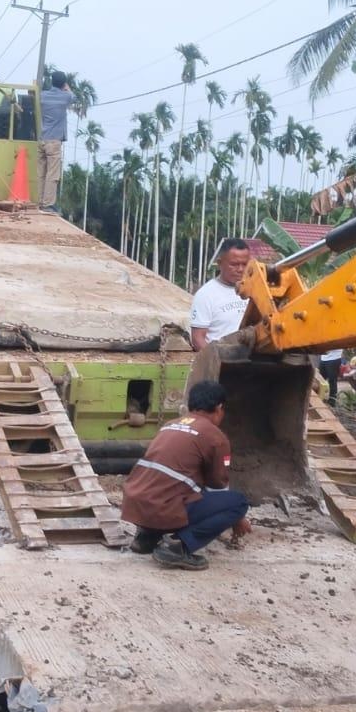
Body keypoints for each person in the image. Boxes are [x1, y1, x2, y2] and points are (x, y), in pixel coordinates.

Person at [122, 381, 251, 570]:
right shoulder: (215, 436)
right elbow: (218, 486)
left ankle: (147, 536)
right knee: (238, 502)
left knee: (180, 488)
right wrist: (238, 518)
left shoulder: (170, 425)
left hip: (136, 504)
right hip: (162, 507)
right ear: (219, 408)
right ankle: (178, 547)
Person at [189, 238, 252, 350]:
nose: (240, 269)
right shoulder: (205, 295)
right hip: (222, 360)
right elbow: (197, 339)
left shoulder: (255, 291)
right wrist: (217, 362)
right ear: (219, 263)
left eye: (244, 264)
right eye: (234, 264)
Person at [38, 71, 77, 208]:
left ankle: (38, 201)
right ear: (63, 83)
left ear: (51, 82)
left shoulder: (42, 96)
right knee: (52, 174)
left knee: (40, 173)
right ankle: (48, 204)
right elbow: (74, 97)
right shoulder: (65, 97)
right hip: (54, 141)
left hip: (41, 139)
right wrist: (67, 88)